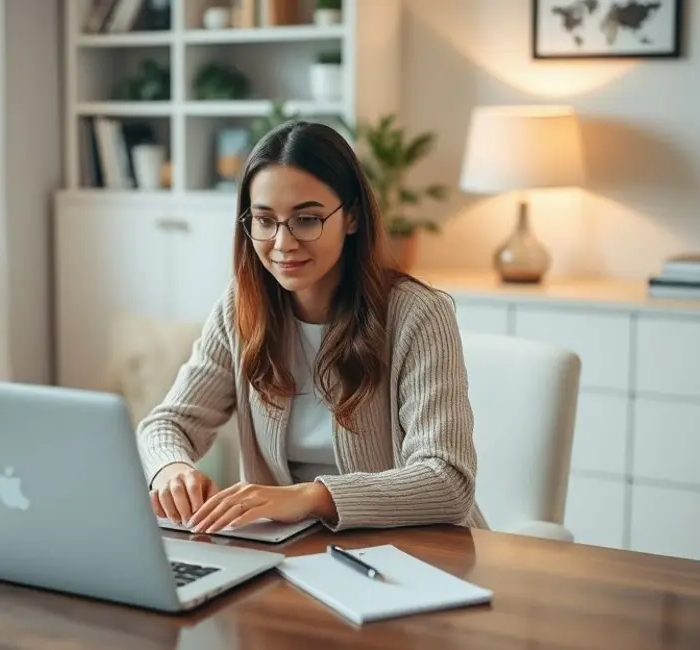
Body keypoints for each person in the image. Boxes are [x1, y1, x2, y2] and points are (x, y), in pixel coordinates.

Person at [137, 119, 486, 534]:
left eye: (306, 219)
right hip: (293, 555)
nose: (282, 243)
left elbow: (447, 481)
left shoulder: (418, 315)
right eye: (264, 220)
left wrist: (307, 497)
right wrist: (171, 469)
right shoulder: (241, 309)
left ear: (352, 217)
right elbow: (167, 424)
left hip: (418, 553)